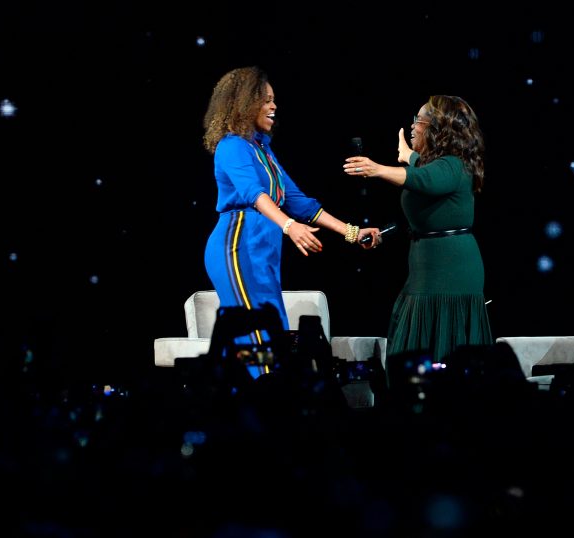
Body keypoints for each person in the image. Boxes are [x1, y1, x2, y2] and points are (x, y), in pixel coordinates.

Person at [202, 66, 380, 346]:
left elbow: (299, 202)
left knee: (275, 335)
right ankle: (255, 387)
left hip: (265, 250)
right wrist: (288, 225)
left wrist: (352, 233)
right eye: (265, 99)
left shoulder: (263, 150)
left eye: (273, 99)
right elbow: (253, 193)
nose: (274, 106)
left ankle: (271, 387)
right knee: (255, 335)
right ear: (244, 103)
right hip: (238, 245)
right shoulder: (231, 146)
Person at [343, 94, 493, 375]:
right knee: (412, 344)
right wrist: (385, 233)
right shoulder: (433, 164)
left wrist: (377, 169)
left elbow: (425, 180)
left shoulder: (454, 164)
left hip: (451, 273)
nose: (413, 126)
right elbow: (425, 208)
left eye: (419, 120)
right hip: (425, 270)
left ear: (438, 129)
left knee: (443, 352)